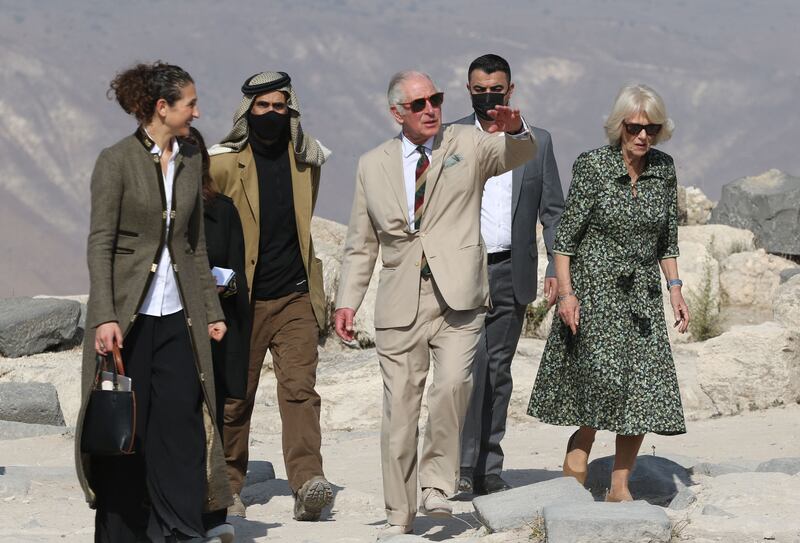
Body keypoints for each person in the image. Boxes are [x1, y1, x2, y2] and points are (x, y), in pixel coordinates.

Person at [334, 70, 536, 539]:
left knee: (451, 387)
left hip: (459, 297)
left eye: (436, 99)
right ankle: (398, 517)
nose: (431, 110)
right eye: (420, 103)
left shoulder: (467, 141)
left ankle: (437, 487)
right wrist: (347, 302)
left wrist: (516, 128)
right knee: (399, 413)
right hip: (400, 302)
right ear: (397, 113)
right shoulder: (372, 164)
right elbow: (360, 244)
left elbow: (518, 153)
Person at [74, 62, 231, 542]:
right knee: (127, 431)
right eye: (190, 103)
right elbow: (100, 242)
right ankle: (123, 533)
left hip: (179, 317)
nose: (197, 112)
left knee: (180, 426)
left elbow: (194, 246)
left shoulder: (188, 160)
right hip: (128, 319)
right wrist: (103, 314)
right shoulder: (116, 160)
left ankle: (180, 529)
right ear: (162, 108)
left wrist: (211, 310)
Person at [527, 84, 690, 502]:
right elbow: (565, 238)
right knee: (599, 385)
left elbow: (666, 240)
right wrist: (566, 294)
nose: (642, 136)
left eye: (651, 128)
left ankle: (620, 485)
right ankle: (576, 467)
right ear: (619, 126)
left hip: (642, 298)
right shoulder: (593, 166)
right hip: (595, 292)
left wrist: (675, 290)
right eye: (634, 127)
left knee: (642, 390)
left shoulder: (664, 169)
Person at [208, 71, 333, 522]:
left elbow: (301, 222)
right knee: (235, 394)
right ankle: (226, 485)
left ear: (291, 110)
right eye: (262, 107)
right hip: (241, 299)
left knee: (300, 389)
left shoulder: (306, 162)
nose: (271, 115)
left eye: (280, 107)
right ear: (248, 111)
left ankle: (308, 482)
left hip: (295, 294)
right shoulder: (222, 164)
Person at [451, 54, 565, 496]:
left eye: (495, 88)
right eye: (479, 90)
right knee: (465, 370)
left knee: (497, 371)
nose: (488, 96)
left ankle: (487, 468)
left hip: (510, 271)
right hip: (460, 272)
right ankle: (457, 466)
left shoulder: (539, 142)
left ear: (510, 89)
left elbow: (553, 210)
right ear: (469, 90)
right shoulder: (450, 138)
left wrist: (558, 265)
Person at [186, 127, 251, 543]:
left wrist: (215, 283)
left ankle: (214, 510)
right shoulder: (152, 213)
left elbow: (236, 275)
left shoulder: (222, 210)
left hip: (215, 328)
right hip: (168, 328)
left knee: (215, 419)